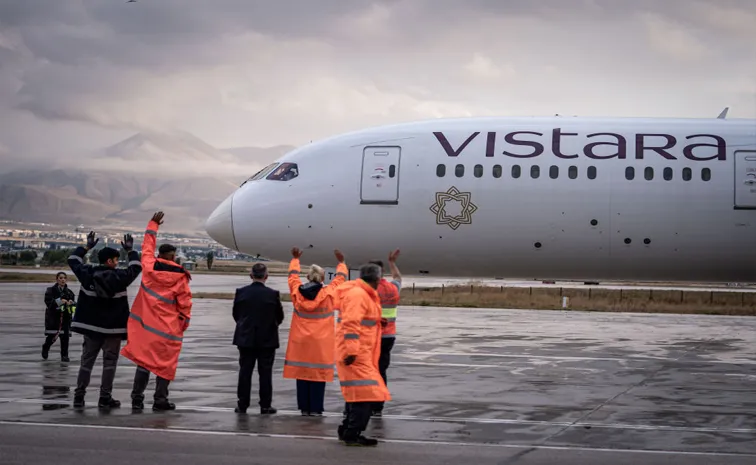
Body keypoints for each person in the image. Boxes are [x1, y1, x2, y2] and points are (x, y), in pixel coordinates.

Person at [121, 211, 193, 412]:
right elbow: (185, 304)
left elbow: (146, 247)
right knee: (165, 365)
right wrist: (183, 324)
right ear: (173, 257)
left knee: (143, 362)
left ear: (160, 255)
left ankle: (137, 398)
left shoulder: (149, 267)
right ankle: (160, 399)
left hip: (146, 326)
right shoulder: (180, 276)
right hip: (168, 329)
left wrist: (153, 224)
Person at [67, 231, 142, 409]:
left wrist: (86, 247)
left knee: (86, 362)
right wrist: (130, 251)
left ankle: (79, 396)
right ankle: (104, 397)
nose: (117, 263)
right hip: (113, 330)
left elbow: (72, 260)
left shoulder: (87, 273)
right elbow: (136, 267)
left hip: (91, 328)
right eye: (116, 260)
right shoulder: (120, 277)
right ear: (110, 262)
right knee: (109, 364)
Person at [284, 247, 348, 416]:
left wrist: (295, 259)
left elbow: (292, 277)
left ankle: (304, 408)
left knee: (302, 375)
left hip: (301, 342)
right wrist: (341, 263)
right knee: (318, 376)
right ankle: (316, 408)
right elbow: (340, 279)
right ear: (322, 279)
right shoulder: (328, 293)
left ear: (307, 277)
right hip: (321, 342)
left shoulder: (298, 292)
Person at [335, 263, 391, 447]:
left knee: (358, 394)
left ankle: (347, 430)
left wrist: (377, 321)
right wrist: (352, 351)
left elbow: (360, 319)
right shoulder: (358, 295)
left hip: (360, 352)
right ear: (376, 279)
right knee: (366, 395)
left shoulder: (363, 293)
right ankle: (352, 433)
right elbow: (351, 324)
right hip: (356, 353)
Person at [232, 262, 284, 414]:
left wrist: (244, 327)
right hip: (267, 339)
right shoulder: (273, 294)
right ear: (266, 277)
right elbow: (279, 317)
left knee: (245, 372)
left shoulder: (241, 292)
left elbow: (236, 314)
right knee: (265, 374)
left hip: (245, 339)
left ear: (251, 275)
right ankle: (265, 405)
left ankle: (242, 404)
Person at [368, 249, 401, 416]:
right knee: (381, 371)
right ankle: (378, 406)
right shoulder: (392, 288)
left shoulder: (369, 290)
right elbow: (398, 279)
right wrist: (392, 263)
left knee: (368, 371)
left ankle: (367, 403)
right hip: (389, 336)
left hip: (372, 337)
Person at [42, 271, 76, 362]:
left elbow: (73, 308)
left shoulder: (70, 293)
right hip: (54, 318)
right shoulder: (50, 290)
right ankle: (46, 347)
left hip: (65, 318)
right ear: (57, 279)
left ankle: (64, 356)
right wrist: (60, 301)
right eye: (60, 278)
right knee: (51, 336)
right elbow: (48, 302)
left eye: (64, 278)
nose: (63, 280)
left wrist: (71, 304)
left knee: (65, 337)